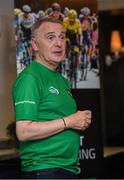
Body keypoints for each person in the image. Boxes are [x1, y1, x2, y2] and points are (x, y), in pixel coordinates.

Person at [12, 17, 92, 179]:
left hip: (66, 169)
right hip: (46, 170)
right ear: (34, 44)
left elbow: (56, 118)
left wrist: (79, 120)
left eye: (62, 37)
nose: (59, 43)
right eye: (50, 37)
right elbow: (23, 131)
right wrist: (69, 121)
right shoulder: (30, 78)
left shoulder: (61, 80)